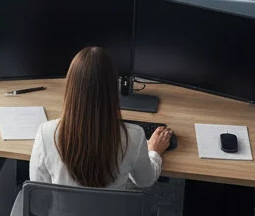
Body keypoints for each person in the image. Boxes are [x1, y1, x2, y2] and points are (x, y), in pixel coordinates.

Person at [30, 46, 171, 189]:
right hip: (113, 212)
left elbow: (38, 199)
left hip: (60, 212)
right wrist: (154, 151)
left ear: (71, 87)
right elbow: (145, 180)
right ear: (112, 90)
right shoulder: (133, 137)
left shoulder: (46, 133)